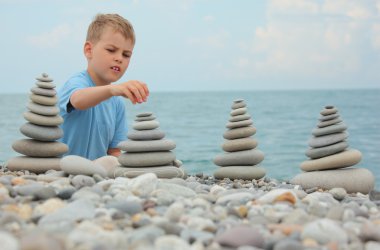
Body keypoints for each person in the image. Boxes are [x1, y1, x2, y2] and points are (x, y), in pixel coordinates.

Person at [58, 13, 149, 160]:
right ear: (89, 50)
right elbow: (78, 100)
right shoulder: (76, 83)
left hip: (96, 178)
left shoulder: (117, 103)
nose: (119, 58)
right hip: (60, 172)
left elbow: (114, 151)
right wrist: (113, 89)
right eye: (111, 50)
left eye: (126, 54)